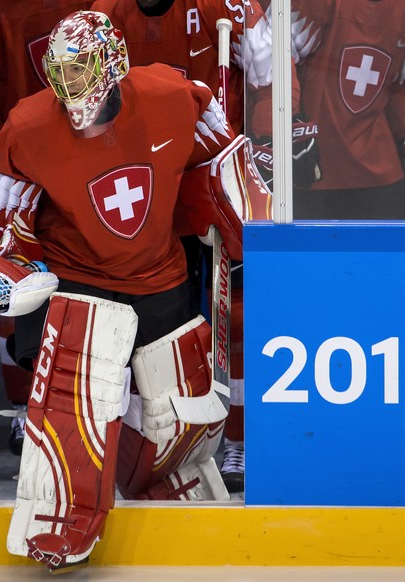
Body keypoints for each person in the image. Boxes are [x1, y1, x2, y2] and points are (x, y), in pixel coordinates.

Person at [0, 10, 257, 571]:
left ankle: (168, 492)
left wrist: (239, 208)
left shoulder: (173, 93)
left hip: (162, 279)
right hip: (79, 285)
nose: (68, 88)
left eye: (80, 72)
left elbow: (218, 154)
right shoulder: (27, 125)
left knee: (182, 421)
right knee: (76, 402)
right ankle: (62, 517)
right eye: (61, 74)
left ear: (112, 63)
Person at [87, 0, 314, 494]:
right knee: (137, 318)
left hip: (210, 175)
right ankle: (137, 443)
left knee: (232, 316)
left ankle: (235, 437)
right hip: (140, 185)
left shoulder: (225, 4)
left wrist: (270, 143)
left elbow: (272, 74)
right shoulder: (107, 12)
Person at [0, 0, 94, 456]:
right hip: (19, 160)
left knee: (98, 278)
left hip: (93, 149)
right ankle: (23, 405)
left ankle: (90, 403)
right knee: (16, 277)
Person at [289, 0, 405, 219]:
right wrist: (287, 126)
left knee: (396, 251)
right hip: (314, 170)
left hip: (380, 178)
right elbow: (275, 67)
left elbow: (396, 85)